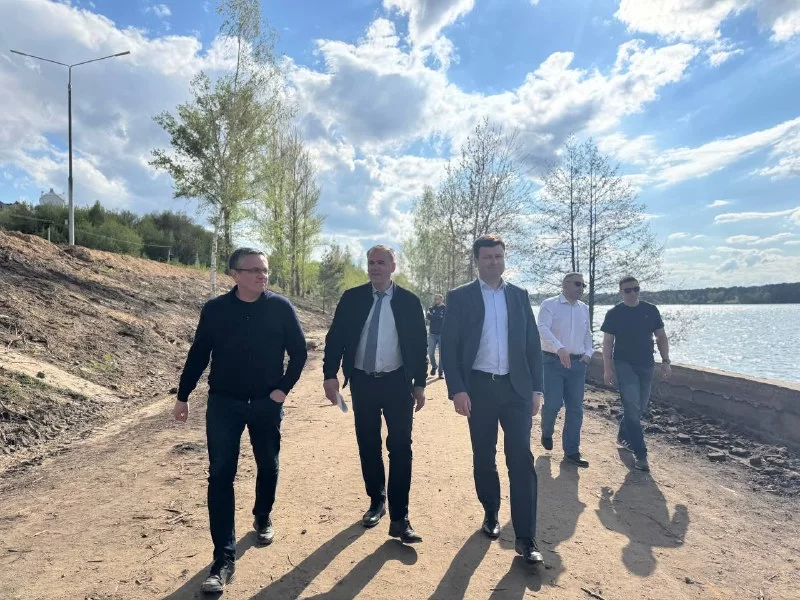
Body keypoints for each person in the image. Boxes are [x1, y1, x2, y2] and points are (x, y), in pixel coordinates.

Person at [173, 248, 308, 594]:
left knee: (268, 463)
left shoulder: (280, 307)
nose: (262, 275)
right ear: (235, 274)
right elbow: (199, 353)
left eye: (265, 270)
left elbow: (299, 352)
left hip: (266, 404)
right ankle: (223, 559)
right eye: (254, 270)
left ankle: (262, 515)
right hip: (224, 404)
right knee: (220, 475)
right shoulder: (216, 310)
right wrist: (183, 395)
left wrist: (282, 390)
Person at [441, 234, 545, 565]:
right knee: (484, 456)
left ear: (504, 258)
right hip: (479, 389)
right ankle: (491, 511)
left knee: (521, 459)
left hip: (516, 390)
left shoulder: (519, 295)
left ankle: (526, 538)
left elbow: (532, 345)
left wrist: (537, 389)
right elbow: (450, 346)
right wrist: (457, 389)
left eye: (498, 256)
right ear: (477, 260)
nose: (494, 262)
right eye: (487, 257)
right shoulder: (460, 297)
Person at [322, 245, 427, 544]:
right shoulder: (352, 298)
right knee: (368, 443)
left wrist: (420, 383)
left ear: (393, 266)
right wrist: (330, 375)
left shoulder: (409, 301)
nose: (375, 267)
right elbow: (335, 338)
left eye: (381, 262)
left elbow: (419, 344)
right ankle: (377, 501)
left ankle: (400, 518)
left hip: (397, 383)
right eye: (371, 262)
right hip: (363, 382)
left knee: (401, 447)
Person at [600, 276, 671, 473]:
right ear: (621, 292)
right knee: (631, 407)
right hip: (624, 365)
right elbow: (607, 343)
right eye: (628, 290)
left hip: (646, 364)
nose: (632, 293)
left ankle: (623, 435)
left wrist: (666, 361)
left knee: (639, 407)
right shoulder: (614, 313)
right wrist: (607, 369)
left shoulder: (651, 310)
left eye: (636, 289)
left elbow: (661, 336)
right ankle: (641, 454)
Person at [537, 272, 594, 468]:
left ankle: (571, 451)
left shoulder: (583, 308)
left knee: (576, 408)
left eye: (583, 285)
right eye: (578, 284)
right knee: (553, 404)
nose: (581, 288)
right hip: (552, 362)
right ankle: (546, 431)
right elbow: (542, 328)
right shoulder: (549, 304)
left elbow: (587, 333)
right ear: (566, 284)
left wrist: (589, 352)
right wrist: (559, 348)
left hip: (578, 364)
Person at [426, 294, 446, 378]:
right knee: (430, 352)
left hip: (442, 334)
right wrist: (438, 317)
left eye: (436, 299)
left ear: (441, 300)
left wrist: (434, 317)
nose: (435, 300)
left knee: (442, 354)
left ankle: (440, 372)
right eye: (434, 299)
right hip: (432, 334)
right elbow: (428, 316)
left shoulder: (446, 309)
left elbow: (444, 318)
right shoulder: (431, 308)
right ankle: (434, 366)